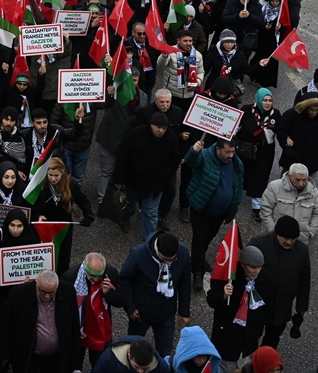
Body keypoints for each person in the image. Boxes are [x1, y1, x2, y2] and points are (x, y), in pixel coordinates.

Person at [118, 232, 192, 357]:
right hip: (141, 314)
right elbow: (124, 279)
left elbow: (185, 283)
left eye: (172, 260)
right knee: (133, 351)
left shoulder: (183, 254)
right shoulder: (139, 254)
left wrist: (184, 311)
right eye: (165, 259)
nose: (168, 263)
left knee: (165, 354)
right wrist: (130, 308)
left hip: (167, 313)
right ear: (157, 250)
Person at [183, 137, 243, 288]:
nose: (231, 155)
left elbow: (238, 184)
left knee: (206, 239)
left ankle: (198, 259)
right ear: (218, 149)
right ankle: (197, 273)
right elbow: (191, 163)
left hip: (220, 213)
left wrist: (235, 203)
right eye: (227, 152)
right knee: (200, 239)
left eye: (233, 152)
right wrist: (194, 151)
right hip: (201, 209)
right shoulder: (204, 156)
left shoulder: (237, 163)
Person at [0, 270, 81, 373]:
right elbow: (3, 323)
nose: (47, 296)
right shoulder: (19, 294)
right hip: (29, 358)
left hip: (57, 358)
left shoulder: (68, 291)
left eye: (51, 293)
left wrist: (75, 360)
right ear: (36, 284)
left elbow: (74, 324)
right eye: (43, 291)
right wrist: (6, 353)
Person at [115, 113, 182, 238]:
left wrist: (167, 172)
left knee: (151, 213)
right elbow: (123, 156)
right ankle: (126, 217)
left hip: (155, 184)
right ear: (150, 125)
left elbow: (176, 157)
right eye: (158, 127)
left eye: (164, 128)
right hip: (134, 181)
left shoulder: (171, 138)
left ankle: (149, 242)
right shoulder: (135, 134)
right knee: (130, 205)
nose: (161, 131)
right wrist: (119, 179)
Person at [248, 216, 310, 348]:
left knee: (272, 340)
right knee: (250, 336)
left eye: (293, 239)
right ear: (277, 233)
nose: (289, 242)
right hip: (257, 303)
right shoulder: (258, 243)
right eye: (285, 238)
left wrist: (301, 308)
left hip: (281, 307)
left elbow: (304, 280)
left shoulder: (302, 251)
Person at [64, 253, 132, 369]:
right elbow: (64, 309)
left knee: (101, 365)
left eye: (99, 276)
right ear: (85, 268)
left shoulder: (111, 273)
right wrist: (74, 329)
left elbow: (120, 301)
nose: (96, 279)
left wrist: (108, 293)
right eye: (92, 276)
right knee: (74, 365)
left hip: (100, 328)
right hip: (79, 330)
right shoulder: (70, 277)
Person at [207, 246, 266, 368]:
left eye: (260, 267)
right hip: (227, 333)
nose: (257, 271)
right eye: (253, 267)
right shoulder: (228, 277)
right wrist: (223, 296)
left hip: (249, 334)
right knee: (226, 365)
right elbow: (211, 299)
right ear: (243, 264)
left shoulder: (264, 278)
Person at [238, 88, 281, 217]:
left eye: (270, 100)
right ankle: (234, 196)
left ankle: (257, 205)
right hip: (245, 149)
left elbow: (282, 131)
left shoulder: (275, 114)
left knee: (260, 176)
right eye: (264, 100)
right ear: (258, 100)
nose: (267, 103)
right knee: (241, 172)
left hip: (264, 152)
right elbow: (235, 126)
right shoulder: (246, 110)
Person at [259, 163, 318, 242]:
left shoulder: (313, 191)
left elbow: (317, 213)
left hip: (302, 239)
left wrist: (311, 232)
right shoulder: (274, 187)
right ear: (289, 176)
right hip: (278, 238)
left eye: (304, 180)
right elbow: (265, 209)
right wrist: (273, 231)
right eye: (297, 180)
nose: (301, 183)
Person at [277, 94, 318, 175]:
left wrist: (317, 156)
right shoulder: (291, 115)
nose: (314, 113)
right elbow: (281, 132)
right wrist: (291, 152)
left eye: (317, 110)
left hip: (311, 160)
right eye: (311, 110)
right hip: (291, 160)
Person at [89, 337, 169, 373]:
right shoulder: (109, 358)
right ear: (129, 353)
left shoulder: (161, 367)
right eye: (137, 367)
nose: (140, 372)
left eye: (145, 368)